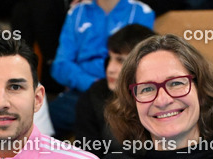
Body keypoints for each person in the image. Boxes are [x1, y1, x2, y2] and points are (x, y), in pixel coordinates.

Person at [50, 0, 154, 136]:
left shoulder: (141, 11)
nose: (110, 67)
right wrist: (92, 84)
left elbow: (142, 59)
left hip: (125, 92)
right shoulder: (77, 11)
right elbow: (60, 65)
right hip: (82, 90)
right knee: (38, 119)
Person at [72, 22, 153, 152]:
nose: (110, 69)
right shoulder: (93, 96)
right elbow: (89, 157)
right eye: (110, 58)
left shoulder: (160, 97)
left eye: (120, 60)